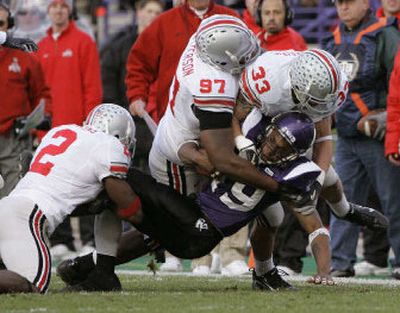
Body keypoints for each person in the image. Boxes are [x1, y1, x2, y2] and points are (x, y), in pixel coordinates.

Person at [58, 111, 335, 290]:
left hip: (201, 229)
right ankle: (86, 267)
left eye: (281, 147)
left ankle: (62, 200)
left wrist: (325, 271)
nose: (271, 147)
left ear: (293, 155)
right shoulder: (250, 139)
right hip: (193, 218)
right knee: (145, 229)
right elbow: (233, 115)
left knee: (131, 179)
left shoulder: (292, 177)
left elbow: (314, 224)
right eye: (273, 138)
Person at [234, 48, 388, 285]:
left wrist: (314, 180)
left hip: (293, 138)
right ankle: (264, 272)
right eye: (315, 102)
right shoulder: (267, 82)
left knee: (325, 178)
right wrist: (240, 142)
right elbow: (232, 115)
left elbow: (324, 139)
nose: (319, 105)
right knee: (272, 217)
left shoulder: (325, 86)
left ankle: (344, 210)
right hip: (252, 144)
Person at [0, 103, 141, 294]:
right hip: (28, 217)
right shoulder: (109, 144)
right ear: (118, 135)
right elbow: (124, 199)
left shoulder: (61, 131)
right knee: (32, 287)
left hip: (9, 205)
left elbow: (65, 195)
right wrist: (147, 221)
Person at [321, 0, 400, 277]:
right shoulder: (332, 40)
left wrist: (387, 119)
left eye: (349, 2)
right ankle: (341, 262)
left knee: (393, 200)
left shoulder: (385, 34)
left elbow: (397, 81)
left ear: (365, 3)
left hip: (377, 135)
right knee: (341, 200)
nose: (343, 7)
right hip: (345, 135)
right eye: (339, 3)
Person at [37, 0, 103, 260]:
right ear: (48, 11)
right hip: (51, 133)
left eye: (63, 6)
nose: (58, 10)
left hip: (79, 129)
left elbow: (92, 87)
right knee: (54, 186)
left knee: (85, 183)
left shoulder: (83, 41)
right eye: (54, 6)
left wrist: (90, 123)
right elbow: (39, 93)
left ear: (69, 11)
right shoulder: (40, 47)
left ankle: (86, 238)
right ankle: (61, 238)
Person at [126, 0, 239, 121]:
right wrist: (137, 96)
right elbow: (140, 62)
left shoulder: (231, 19)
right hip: (174, 115)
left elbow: (247, 60)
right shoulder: (164, 22)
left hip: (223, 111)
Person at [101, 0, 164, 173]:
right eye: (149, 11)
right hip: (129, 121)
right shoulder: (119, 46)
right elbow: (108, 82)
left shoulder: (167, 46)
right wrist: (121, 114)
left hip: (159, 123)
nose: (153, 16)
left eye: (157, 12)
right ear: (138, 12)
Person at [0, 1, 50, 199]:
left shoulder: (23, 57)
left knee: (14, 198)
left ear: (10, 24)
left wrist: (40, 120)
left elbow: (42, 94)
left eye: (1, 23)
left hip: (14, 137)